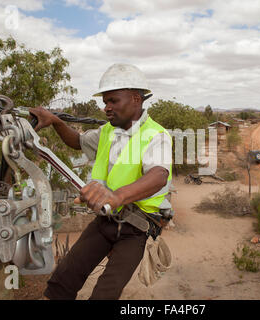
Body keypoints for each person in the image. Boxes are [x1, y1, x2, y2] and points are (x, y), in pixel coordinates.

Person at [30, 63, 173, 300]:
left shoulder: (155, 135)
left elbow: (158, 175)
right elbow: (77, 141)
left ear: (136, 98)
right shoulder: (107, 132)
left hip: (135, 228)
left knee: (105, 293)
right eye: (105, 101)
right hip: (105, 221)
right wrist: (55, 121)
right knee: (63, 279)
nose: (106, 107)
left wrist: (116, 196)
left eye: (113, 101)